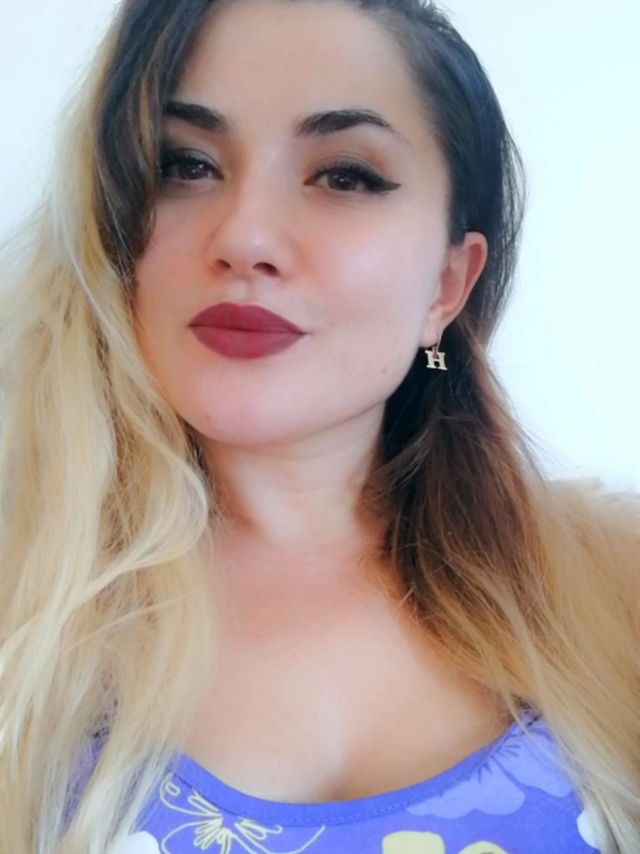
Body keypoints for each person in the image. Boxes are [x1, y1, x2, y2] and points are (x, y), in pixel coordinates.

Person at [0, 0, 637, 851]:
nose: (244, 236)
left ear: (448, 285)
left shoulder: (617, 589)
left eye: (343, 176)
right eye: (185, 164)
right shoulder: (22, 614)